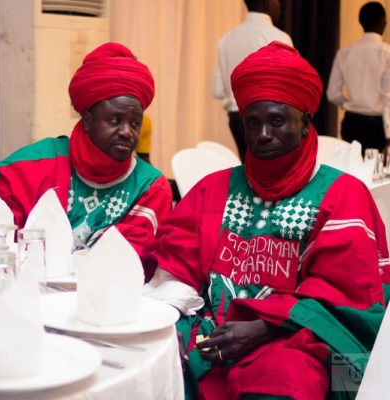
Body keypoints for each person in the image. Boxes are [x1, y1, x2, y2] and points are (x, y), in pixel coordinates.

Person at [143, 42, 389, 399]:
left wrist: (264, 328)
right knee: (147, 353)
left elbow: (346, 296)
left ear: (306, 125)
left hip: (297, 337)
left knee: (286, 379)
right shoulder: (214, 189)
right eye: (252, 122)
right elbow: (175, 270)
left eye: (277, 121)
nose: (262, 135)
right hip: (211, 331)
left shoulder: (341, 193)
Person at [0, 42, 172, 256]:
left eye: (135, 123)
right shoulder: (36, 164)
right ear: (87, 119)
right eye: (114, 120)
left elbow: (132, 259)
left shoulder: (150, 187)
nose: (127, 132)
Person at [213, 0, 292, 162]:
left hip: (237, 118)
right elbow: (290, 86)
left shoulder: (226, 39)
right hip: (271, 119)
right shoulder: (279, 37)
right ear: (267, 3)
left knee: (248, 169)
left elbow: (218, 91)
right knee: (271, 174)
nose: (280, 6)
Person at [327, 1, 390, 155]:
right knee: (377, 175)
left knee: (352, 170)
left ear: (361, 22)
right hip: (378, 125)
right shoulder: (387, 53)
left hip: (351, 123)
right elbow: (388, 97)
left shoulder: (345, 52)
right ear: (383, 21)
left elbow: (332, 93)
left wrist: (349, 104)